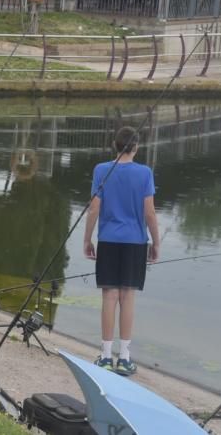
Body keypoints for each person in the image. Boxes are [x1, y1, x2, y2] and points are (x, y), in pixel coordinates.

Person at [83, 126, 160, 377]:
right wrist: (156, 242)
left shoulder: (101, 170)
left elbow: (94, 209)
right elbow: (149, 213)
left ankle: (105, 356)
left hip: (108, 240)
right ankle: (125, 358)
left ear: (114, 145)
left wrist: (87, 239)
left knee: (109, 296)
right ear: (136, 147)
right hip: (135, 242)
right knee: (128, 296)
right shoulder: (145, 173)